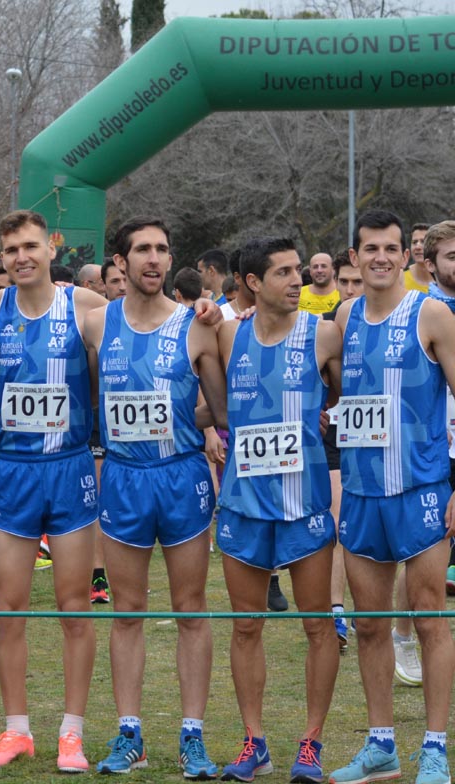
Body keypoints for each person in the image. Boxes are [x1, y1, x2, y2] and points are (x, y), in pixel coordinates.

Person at [0, 210, 109, 773]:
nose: (21, 257)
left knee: (74, 605)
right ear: (2, 257)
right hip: (15, 470)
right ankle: (15, 730)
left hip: (70, 468)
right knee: (8, 607)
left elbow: (142, 327)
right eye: (10, 250)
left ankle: (71, 732)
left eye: (30, 246)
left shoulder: (83, 305)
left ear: (51, 247)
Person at [84, 217, 228, 777]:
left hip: (180, 477)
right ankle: (130, 735)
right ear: (120, 262)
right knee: (127, 612)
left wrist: (178, 419)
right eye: (141, 250)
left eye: (162, 250)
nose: (153, 259)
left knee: (191, 610)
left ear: (171, 260)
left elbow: (221, 408)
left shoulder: (196, 327)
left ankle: (192, 736)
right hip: (122, 478)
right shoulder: (96, 323)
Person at [328, 209, 455, 784]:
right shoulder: (345, 314)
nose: (381, 256)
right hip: (360, 493)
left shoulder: (432, 314)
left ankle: (434, 746)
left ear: (408, 255)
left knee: (429, 619)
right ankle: (382, 747)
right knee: (372, 625)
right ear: (353, 258)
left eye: (392, 248)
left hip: (421, 490)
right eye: (370, 248)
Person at [213, 237, 343, 783]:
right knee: (246, 626)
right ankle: (253, 742)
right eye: (284, 272)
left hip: (304, 503)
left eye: (299, 270)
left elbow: (338, 396)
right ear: (251, 283)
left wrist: (318, 415)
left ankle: (310, 743)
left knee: (319, 626)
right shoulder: (224, 331)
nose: (298, 280)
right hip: (243, 504)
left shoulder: (324, 332)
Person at [323, 252, 364, 651]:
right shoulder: (329, 327)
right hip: (338, 437)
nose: (350, 290)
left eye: (357, 283)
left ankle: (380, 615)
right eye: (345, 283)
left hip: (386, 444)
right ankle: (337, 610)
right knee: (338, 527)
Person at [419, 222, 455, 594]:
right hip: (435, 449)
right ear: (430, 264)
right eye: (452, 256)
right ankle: (403, 638)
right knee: (429, 551)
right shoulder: (418, 311)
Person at [404, 223, 432, 293]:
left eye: (423, 242)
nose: (417, 247)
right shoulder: (400, 278)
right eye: (414, 242)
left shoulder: (444, 278)